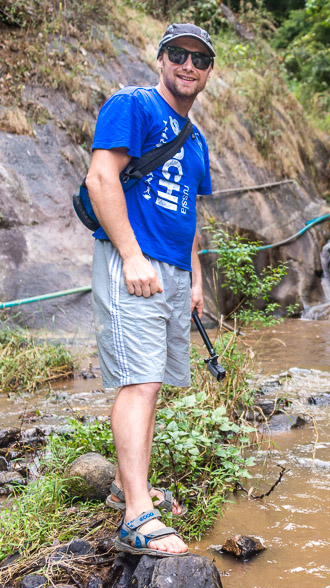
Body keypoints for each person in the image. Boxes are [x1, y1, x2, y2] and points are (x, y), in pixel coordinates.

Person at [84, 22, 216, 557]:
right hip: (131, 263)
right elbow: (100, 179)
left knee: (151, 382)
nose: (188, 65)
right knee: (138, 382)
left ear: (208, 73)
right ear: (161, 59)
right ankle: (138, 512)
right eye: (179, 54)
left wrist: (195, 279)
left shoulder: (199, 139)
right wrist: (133, 255)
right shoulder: (132, 105)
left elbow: (187, 210)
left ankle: (124, 485)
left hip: (173, 273)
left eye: (200, 59)